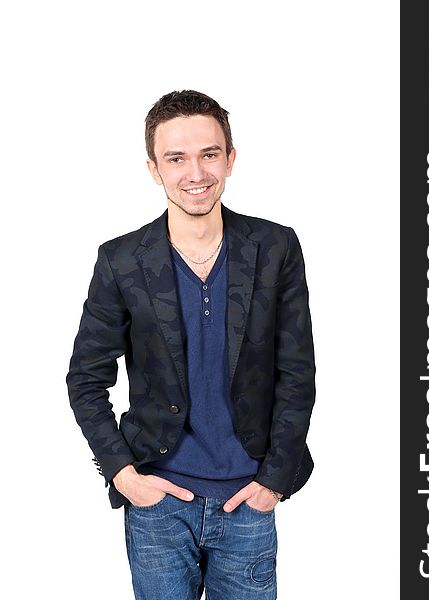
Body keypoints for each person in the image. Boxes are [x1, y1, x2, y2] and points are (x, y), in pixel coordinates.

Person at [66, 90, 316, 600]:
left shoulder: (275, 248)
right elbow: (86, 379)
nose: (195, 172)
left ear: (231, 158)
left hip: (247, 499)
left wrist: (273, 482)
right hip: (158, 503)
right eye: (176, 158)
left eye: (209, 153)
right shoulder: (121, 260)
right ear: (154, 168)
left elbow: (296, 374)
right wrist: (123, 475)